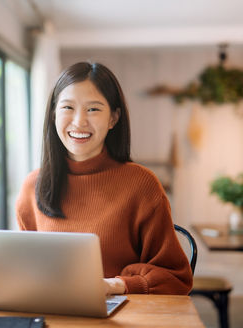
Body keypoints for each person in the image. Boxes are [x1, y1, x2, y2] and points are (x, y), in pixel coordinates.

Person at [16, 62, 193, 295]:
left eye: (93, 109)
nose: (79, 122)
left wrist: (116, 285)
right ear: (53, 114)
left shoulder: (141, 185)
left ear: (113, 118)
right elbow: (23, 268)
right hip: (51, 312)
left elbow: (176, 278)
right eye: (68, 107)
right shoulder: (33, 185)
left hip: (121, 316)